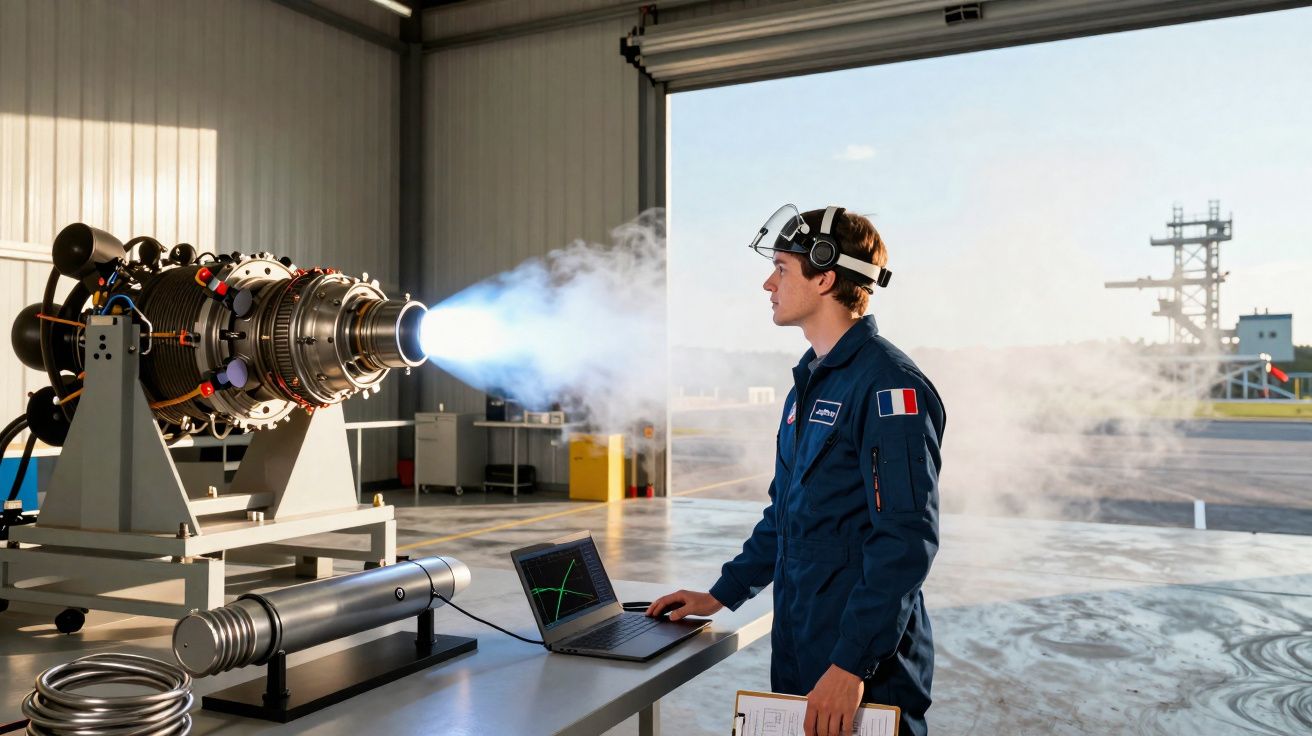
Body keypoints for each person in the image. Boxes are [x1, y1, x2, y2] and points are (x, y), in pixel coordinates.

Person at [647, 205, 945, 736]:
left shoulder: (888, 388)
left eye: (782, 268)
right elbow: (785, 516)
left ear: (825, 276)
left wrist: (852, 663)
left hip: (863, 667)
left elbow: (904, 540)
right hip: (803, 642)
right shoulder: (810, 383)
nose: (768, 282)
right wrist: (720, 594)